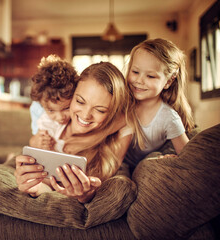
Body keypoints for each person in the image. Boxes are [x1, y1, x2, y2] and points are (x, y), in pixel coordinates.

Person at [15, 62, 138, 203]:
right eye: (80, 101)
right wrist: (34, 186)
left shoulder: (120, 133)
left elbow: (132, 116)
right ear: (71, 95)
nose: (85, 116)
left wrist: (86, 195)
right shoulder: (55, 121)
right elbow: (46, 181)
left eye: (100, 110)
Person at [124, 38, 195, 169]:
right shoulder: (122, 103)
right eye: (135, 72)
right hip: (119, 163)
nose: (139, 80)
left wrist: (174, 158)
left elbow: (188, 158)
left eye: (150, 76)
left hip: (146, 167)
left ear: (168, 81)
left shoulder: (169, 118)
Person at [28, 55, 79, 151]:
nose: (60, 117)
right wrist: (36, 142)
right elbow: (34, 137)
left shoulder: (79, 117)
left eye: (66, 108)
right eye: (51, 110)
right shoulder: (38, 110)